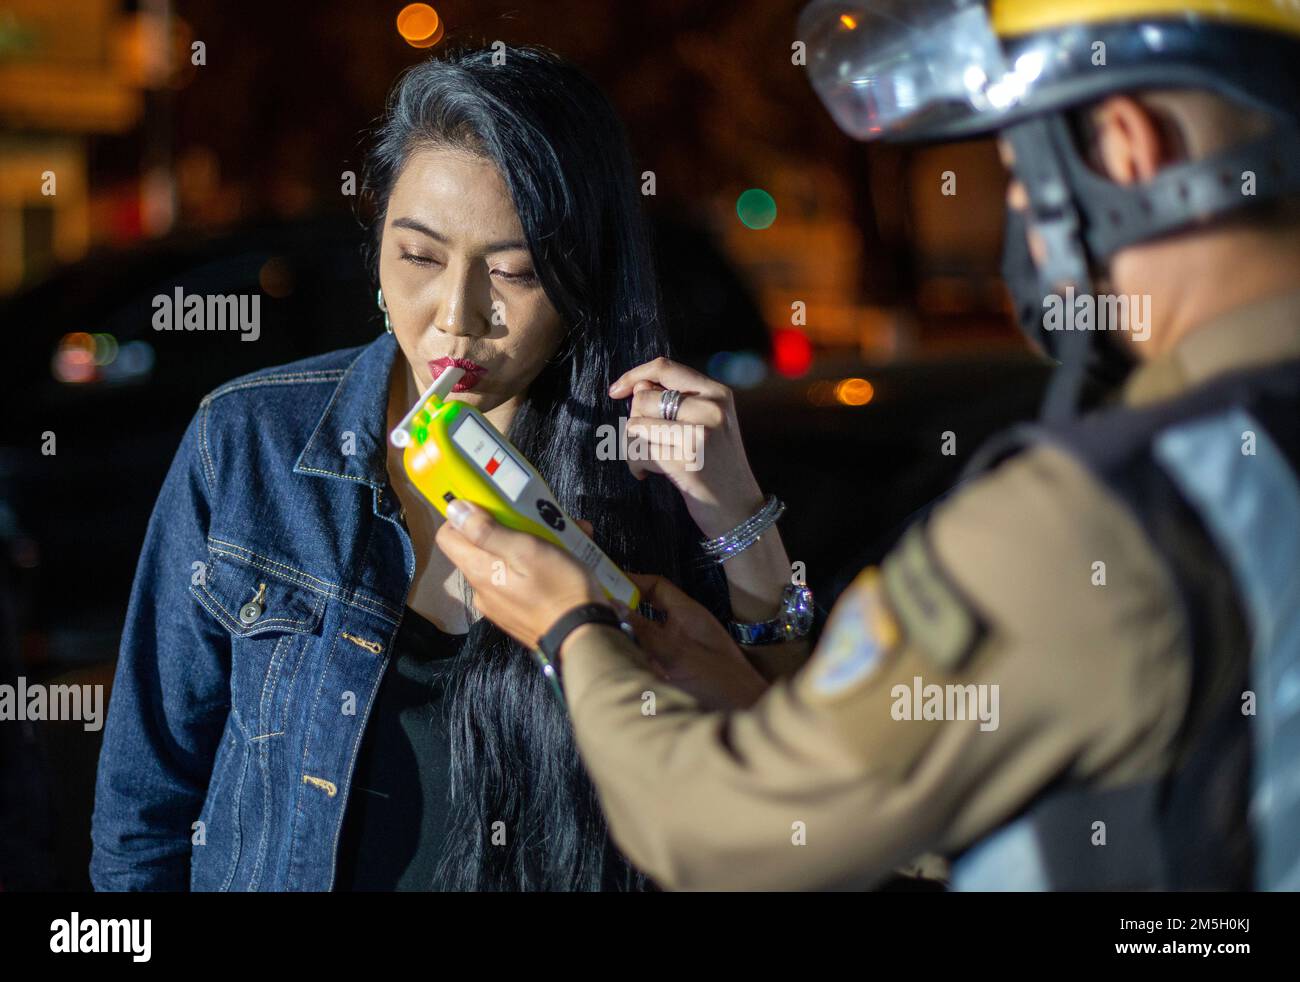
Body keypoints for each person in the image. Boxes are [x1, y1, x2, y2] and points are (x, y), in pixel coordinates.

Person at [436, 0, 1300, 890]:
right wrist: (759, 699)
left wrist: (571, 627)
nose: (1016, 215)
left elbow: (726, 838)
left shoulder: (1102, 521)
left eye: (1012, 168)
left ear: (1127, 147)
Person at [89, 45, 805, 892]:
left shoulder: (642, 469)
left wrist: (739, 517)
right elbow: (144, 815)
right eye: (420, 258)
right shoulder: (248, 443)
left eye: (513, 272)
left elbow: (790, 796)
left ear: (583, 280)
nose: (456, 319)